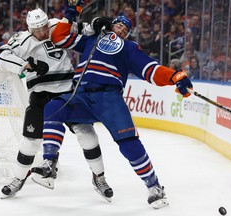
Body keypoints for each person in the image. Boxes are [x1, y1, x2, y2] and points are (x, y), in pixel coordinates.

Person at [32, 1, 193, 209]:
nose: (122, 30)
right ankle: (49, 162)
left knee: (129, 142)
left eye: (126, 30)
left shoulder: (129, 48)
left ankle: (154, 186)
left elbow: (150, 70)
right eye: (119, 25)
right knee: (53, 108)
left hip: (109, 98)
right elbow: (59, 37)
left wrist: (174, 76)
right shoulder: (93, 38)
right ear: (111, 25)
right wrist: (72, 12)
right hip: (81, 94)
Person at [0, 8, 113, 201]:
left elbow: (81, 28)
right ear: (29, 28)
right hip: (41, 94)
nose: (43, 32)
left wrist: (96, 23)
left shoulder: (54, 26)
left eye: (44, 27)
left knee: (87, 134)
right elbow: (2, 56)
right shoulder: (23, 39)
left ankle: (99, 178)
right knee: (30, 141)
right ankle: (17, 179)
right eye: (38, 30)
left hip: (68, 90)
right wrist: (28, 65)